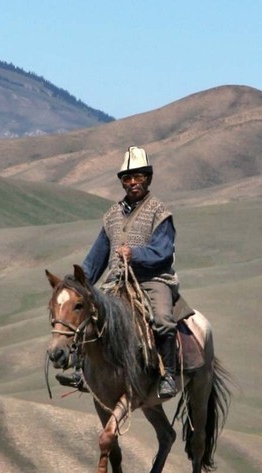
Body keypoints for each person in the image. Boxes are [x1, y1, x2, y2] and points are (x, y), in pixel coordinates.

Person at [57, 146, 179, 399]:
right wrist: (79, 284)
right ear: (122, 182)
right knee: (88, 314)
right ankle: (81, 370)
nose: (133, 183)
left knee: (163, 319)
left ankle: (168, 374)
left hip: (153, 280)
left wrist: (136, 255)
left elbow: (164, 251)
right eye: (127, 178)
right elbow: (97, 257)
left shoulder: (159, 211)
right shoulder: (111, 215)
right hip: (116, 282)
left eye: (139, 177)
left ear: (148, 178)